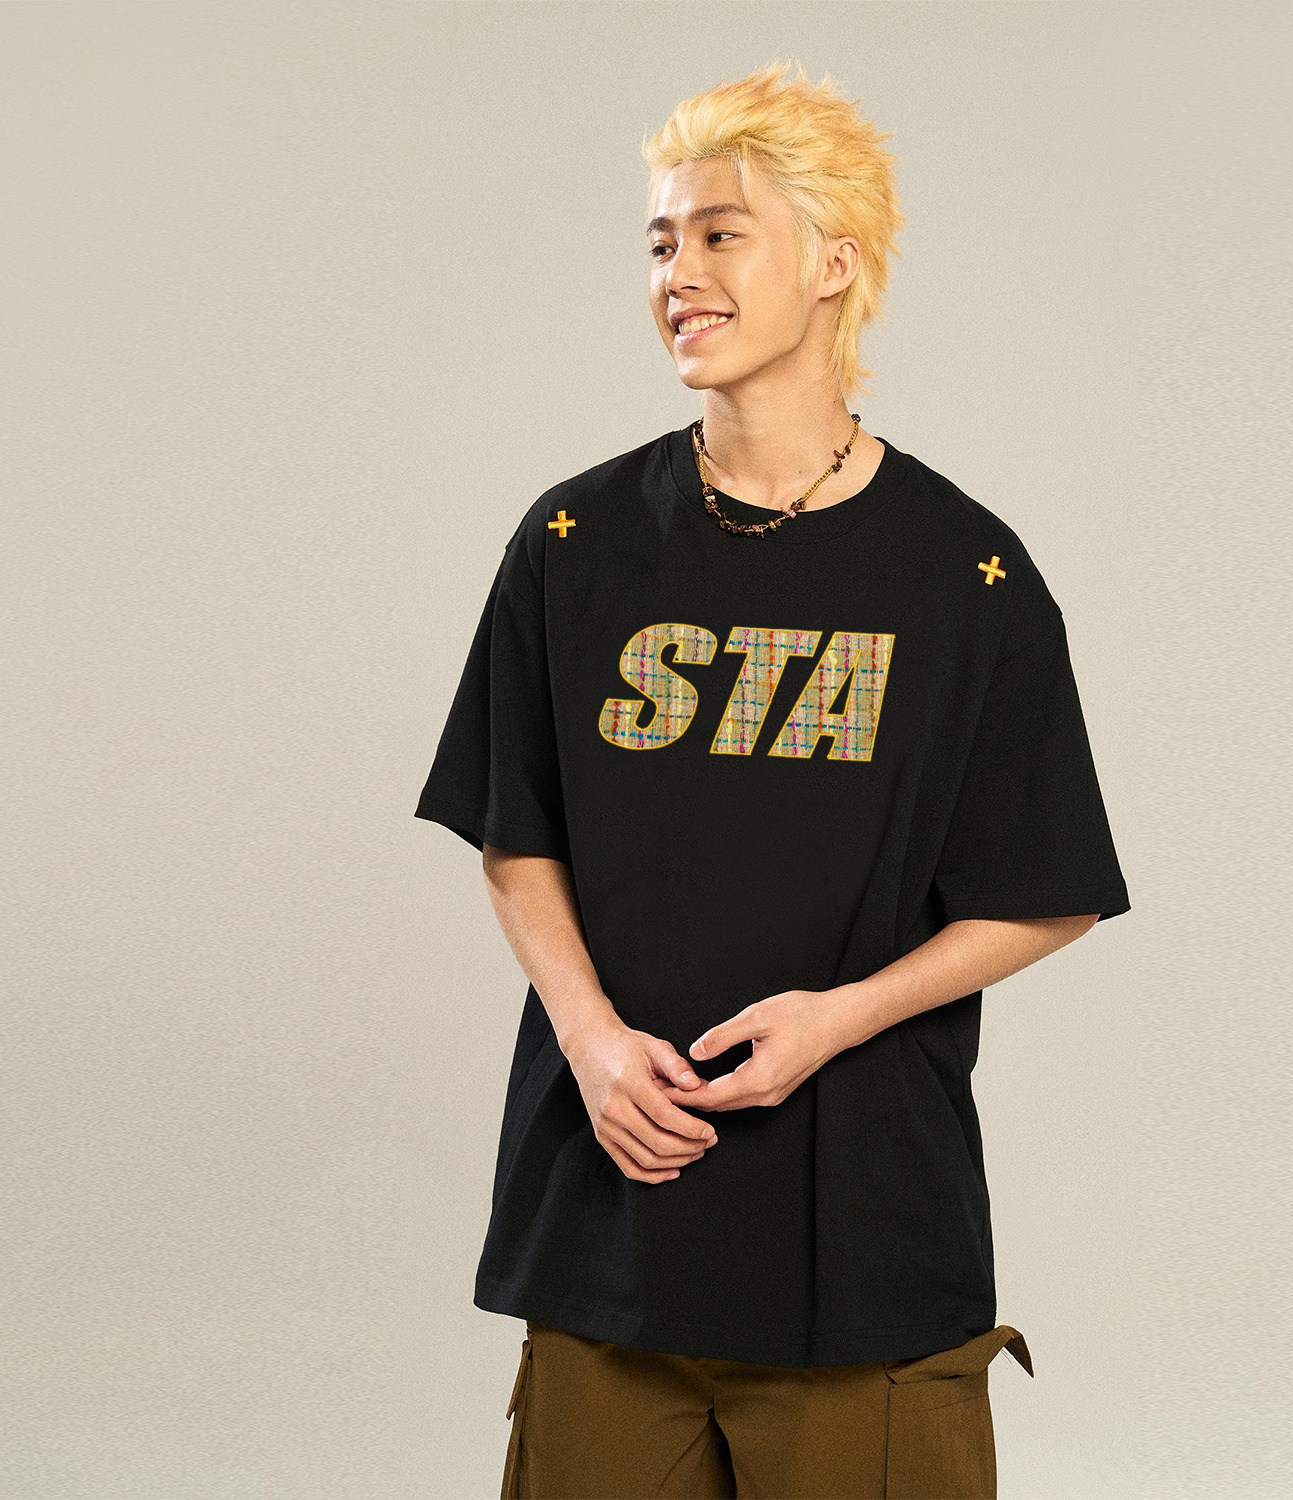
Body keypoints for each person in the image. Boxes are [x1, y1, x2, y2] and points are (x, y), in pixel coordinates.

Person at [414, 59, 1131, 1500]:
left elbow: (1045, 886)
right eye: (660, 241)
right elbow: (514, 826)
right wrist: (591, 1041)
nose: (678, 273)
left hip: (861, 1234)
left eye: (720, 232)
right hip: (613, 1214)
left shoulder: (962, 574)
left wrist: (839, 1020)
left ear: (833, 264)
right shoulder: (575, 541)